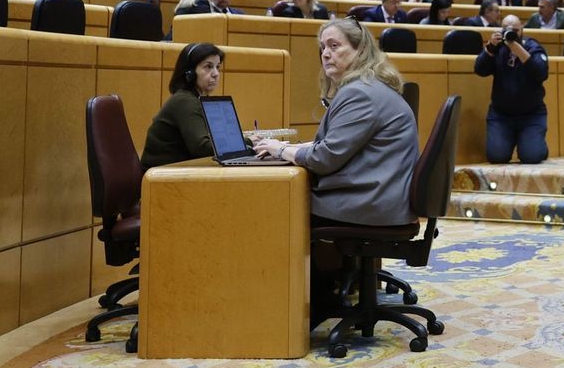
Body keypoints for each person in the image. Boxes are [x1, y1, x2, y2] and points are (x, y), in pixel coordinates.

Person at [250, 19, 418, 231]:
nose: (326, 54)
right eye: (323, 47)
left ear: (362, 49)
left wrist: (281, 149)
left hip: (368, 205)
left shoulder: (360, 93)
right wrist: (279, 146)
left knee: (276, 201)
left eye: (334, 46)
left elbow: (324, 158)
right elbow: (335, 144)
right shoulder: (369, 87)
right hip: (379, 200)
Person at [475, 14, 550, 164]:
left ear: (521, 30)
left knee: (531, 157)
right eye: (506, 30)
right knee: (497, 157)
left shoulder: (533, 46)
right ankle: (516, 140)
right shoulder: (497, 49)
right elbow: (480, 70)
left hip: (531, 115)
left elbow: (541, 72)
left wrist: (515, 46)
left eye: (515, 30)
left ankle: (537, 145)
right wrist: (490, 48)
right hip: (501, 115)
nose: (511, 34)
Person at [141, 43, 227, 171]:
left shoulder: (196, 99)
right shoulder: (184, 101)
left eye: (217, 67)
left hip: (176, 172)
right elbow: (202, 148)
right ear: (190, 73)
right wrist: (247, 143)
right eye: (208, 67)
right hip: (161, 178)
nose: (215, 73)